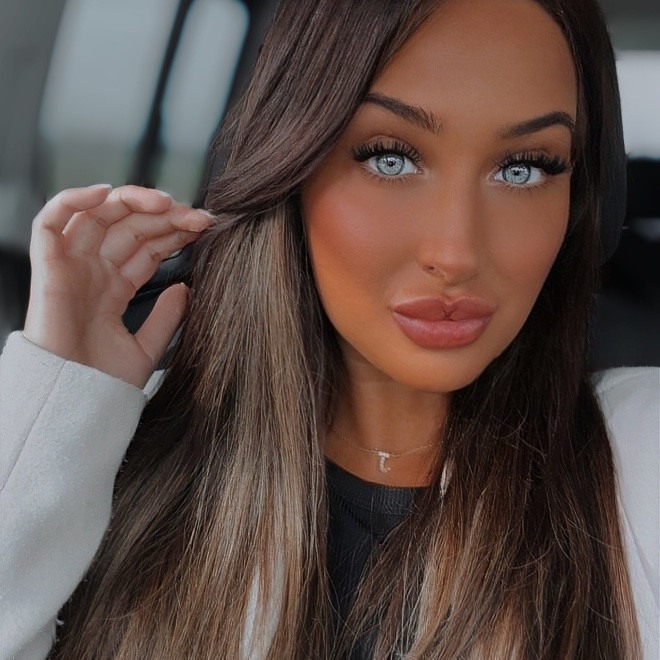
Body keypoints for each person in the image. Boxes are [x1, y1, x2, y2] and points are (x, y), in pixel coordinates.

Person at [0, 0, 658, 657]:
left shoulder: (637, 460)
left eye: (524, 168)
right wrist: (57, 408)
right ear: (292, 167)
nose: (456, 253)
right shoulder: (104, 457)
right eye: (390, 158)